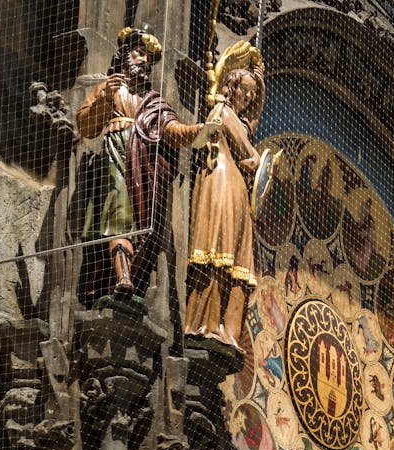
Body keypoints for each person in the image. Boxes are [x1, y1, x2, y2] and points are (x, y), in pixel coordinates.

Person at [76, 28, 204, 304]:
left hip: (143, 168)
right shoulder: (109, 88)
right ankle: (123, 278)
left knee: (141, 224)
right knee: (118, 213)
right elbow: (86, 127)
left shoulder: (154, 101)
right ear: (125, 54)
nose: (144, 60)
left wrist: (197, 132)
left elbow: (171, 130)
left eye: (149, 57)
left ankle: (130, 279)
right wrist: (103, 99)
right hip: (116, 159)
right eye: (140, 52)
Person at [185, 41, 266, 347]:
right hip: (222, 180)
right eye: (244, 89)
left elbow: (253, 122)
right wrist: (254, 161)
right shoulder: (223, 111)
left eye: (252, 94)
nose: (248, 97)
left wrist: (260, 79)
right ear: (231, 85)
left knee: (234, 258)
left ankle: (225, 329)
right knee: (219, 250)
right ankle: (205, 323)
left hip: (234, 185)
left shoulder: (241, 118)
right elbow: (252, 155)